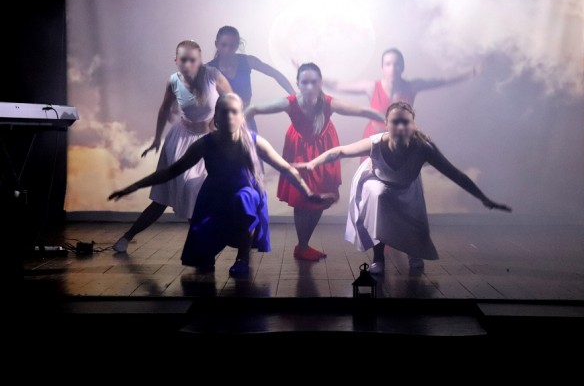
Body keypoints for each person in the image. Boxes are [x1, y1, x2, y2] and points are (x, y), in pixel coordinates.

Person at [109, 93, 331, 274]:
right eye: (224, 112)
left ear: (241, 117)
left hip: (245, 194)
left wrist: (308, 193)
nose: (229, 117)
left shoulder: (254, 142)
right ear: (216, 118)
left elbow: (286, 168)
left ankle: (242, 258)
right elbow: (172, 171)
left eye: (234, 112)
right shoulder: (205, 144)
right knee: (202, 263)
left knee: (242, 199)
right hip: (214, 196)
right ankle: (208, 254)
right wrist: (135, 186)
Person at [295, 101, 511, 274]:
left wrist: (483, 198)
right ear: (387, 124)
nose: (400, 127)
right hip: (375, 181)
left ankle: (413, 252)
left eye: (405, 122)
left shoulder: (424, 148)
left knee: (412, 222)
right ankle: (378, 259)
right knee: (380, 198)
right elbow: (341, 151)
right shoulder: (376, 143)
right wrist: (313, 163)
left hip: (406, 185)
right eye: (395, 122)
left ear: (412, 125)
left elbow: (455, 174)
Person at [245, 63, 385, 261]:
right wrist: (238, 130)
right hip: (299, 150)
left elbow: (362, 111)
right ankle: (302, 246)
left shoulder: (328, 103)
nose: (309, 87)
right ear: (298, 84)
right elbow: (253, 108)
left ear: (320, 83)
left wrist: (388, 121)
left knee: (321, 199)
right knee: (301, 200)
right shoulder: (290, 102)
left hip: (324, 149)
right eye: (305, 82)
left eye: (313, 82)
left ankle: (303, 245)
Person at [111, 40, 232, 253]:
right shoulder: (174, 81)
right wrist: (157, 139)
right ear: (176, 60)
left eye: (192, 60)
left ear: (200, 60)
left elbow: (232, 101)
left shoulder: (213, 75)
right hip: (181, 142)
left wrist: (225, 127)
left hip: (208, 141)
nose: (188, 64)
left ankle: (221, 244)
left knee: (203, 192)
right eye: (183, 60)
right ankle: (128, 236)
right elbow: (164, 109)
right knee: (164, 198)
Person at [325, 48, 476, 140]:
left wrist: (471, 72)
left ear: (402, 67)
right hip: (374, 140)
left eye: (396, 64)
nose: (392, 69)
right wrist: (315, 80)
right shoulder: (372, 87)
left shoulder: (411, 86)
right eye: (388, 64)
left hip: (401, 141)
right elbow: (338, 85)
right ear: (382, 67)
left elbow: (442, 81)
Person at [207, 25, 295, 132]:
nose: (227, 49)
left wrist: (294, 96)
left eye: (232, 45)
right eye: (224, 45)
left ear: (237, 45)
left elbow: (276, 74)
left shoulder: (247, 61)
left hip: (246, 122)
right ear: (216, 44)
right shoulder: (208, 70)